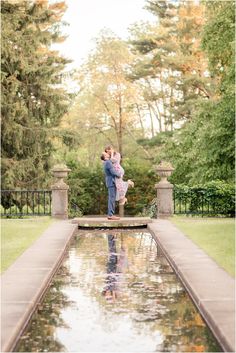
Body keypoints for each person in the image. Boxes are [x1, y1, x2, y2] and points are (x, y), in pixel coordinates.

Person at [101, 151, 121, 220]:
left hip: (109, 182)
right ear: (105, 156)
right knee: (111, 199)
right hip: (111, 182)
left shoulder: (106, 162)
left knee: (111, 198)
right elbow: (113, 172)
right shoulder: (108, 162)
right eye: (105, 153)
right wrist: (119, 174)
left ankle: (111, 214)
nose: (107, 153)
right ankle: (110, 215)